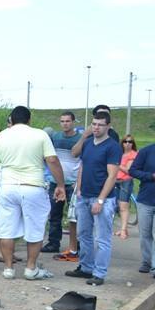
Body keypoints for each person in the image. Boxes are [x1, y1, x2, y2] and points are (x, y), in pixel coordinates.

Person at [0, 106, 65, 280]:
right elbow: (52, 160)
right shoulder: (40, 135)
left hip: (7, 187)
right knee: (35, 228)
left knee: (6, 229)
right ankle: (30, 268)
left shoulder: (0, 136)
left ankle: (8, 268)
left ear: (11, 120)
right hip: (33, 186)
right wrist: (60, 184)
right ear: (29, 120)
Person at [66, 111, 120, 285]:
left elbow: (112, 176)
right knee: (84, 234)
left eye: (100, 125)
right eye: (94, 124)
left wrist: (101, 200)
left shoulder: (112, 147)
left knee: (102, 237)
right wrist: (79, 189)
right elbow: (82, 166)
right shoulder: (88, 144)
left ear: (108, 127)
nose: (96, 127)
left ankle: (100, 273)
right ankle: (86, 267)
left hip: (102, 198)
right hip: (84, 196)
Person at [41, 111, 82, 254]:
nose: (65, 124)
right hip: (55, 181)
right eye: (62, 121)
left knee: (75, 216)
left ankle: (77, 244)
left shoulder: (80, 138)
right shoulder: (55, 137)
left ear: (73, 122)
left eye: (68, 121)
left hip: (73, 182)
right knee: (54, 214)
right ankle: (53, 242)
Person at [128, 140, 155, 275]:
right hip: (146, 198)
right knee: (145, 233)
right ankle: (147, 261)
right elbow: (132, 170)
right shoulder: (147, 151)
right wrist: (150, 176)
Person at [115, 135, 137, 239]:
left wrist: (117, 164)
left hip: (126, 181)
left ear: (133, 144)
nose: (127, 144)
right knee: (118, 206)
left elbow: (128, 170)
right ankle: (123, 228)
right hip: (116, 181)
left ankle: (123, 230)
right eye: (125, 141)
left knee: (124, 206)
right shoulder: (119, 153)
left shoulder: (133, 154)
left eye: (130, 142)